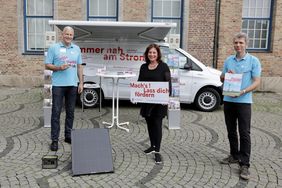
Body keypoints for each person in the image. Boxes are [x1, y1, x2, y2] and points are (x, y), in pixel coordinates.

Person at [220, 32, 261, 180]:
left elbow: (257, 81)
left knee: (244, 133)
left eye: (241, 43)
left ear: (246, 44)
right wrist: (226, 75)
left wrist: (243, 91)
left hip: (244, 102)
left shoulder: (253, 61)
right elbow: (221, 77)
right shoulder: (228, 60)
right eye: (236, 42)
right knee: (231, 131)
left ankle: (245, 164)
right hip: (229, 100)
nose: (238, 45)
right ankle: (234, 155)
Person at [45, 26, 83, 151]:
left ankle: (68, 135)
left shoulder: (76, 48)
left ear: (73, 36)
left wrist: (81, 83)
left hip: (72, 85)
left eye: (71, 35)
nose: (68, 36)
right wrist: (59, 68)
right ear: (62, 34)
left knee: (70, 112)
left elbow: (79, 67)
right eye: (66, 34)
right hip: (58, 85)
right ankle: (54, 140)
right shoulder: (53, 48)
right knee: (56, 112)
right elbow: (47, 65)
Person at [138, 44, 171, 164]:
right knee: (149, 124)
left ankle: (157, 151)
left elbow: (168, 84)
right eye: (150, 53)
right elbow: (139, 84)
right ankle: (152, 146)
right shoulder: (143, 67)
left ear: (158, 54)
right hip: (147, 102)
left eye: (154, 53)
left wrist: (166, 99)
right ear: (147, 54)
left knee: (157, 126)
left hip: (159, 103)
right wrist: (136, 96)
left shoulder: (164, 67)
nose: (152, 55)